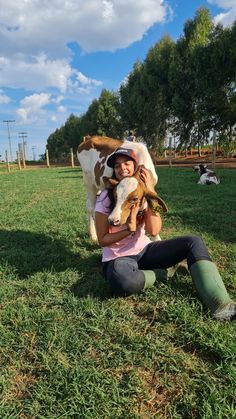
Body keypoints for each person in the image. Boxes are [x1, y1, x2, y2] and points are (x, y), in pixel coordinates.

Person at [95, 148, 236, 321]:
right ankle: (165, 273)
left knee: (193, 241)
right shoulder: (105, 196)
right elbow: (102, 239)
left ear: (135, 167)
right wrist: (128, 230)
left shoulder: (142, 193)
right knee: (119, 277)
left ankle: (222, 304)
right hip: (118, 259)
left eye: (126, 163)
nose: (122, 168)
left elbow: (154, 231)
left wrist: (151, 192)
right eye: (117, 166)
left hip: (145, 251)